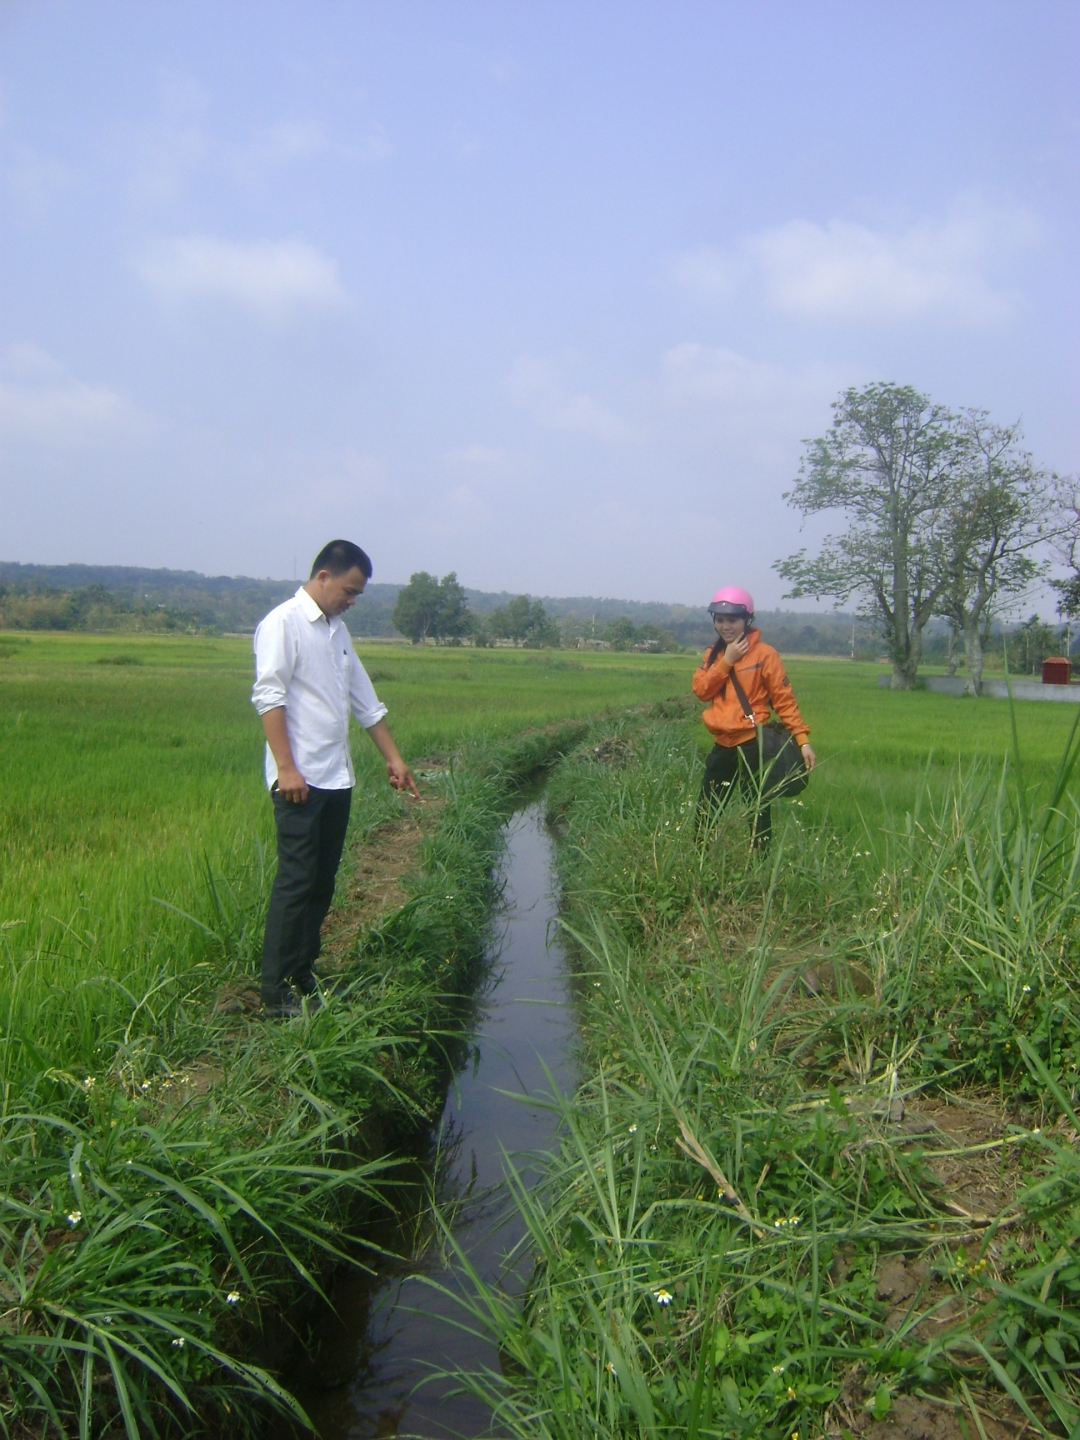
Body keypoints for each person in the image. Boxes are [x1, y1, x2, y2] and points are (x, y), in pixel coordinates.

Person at [252, 539, 419, 1017]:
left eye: (357, 595)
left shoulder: (336, 631)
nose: (351, 600)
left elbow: (365, 701)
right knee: (296, 880)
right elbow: (269, 698)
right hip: (298, 781)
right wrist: (286, 767)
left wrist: (394, 758)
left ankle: (303, 971)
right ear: (323, 577)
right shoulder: (283, 623)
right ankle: (274, 991)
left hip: (336, 779)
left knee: (321, 882)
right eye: (348, 590)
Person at [692, 586, 816, 849]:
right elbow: (702, 691)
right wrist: (727, 661)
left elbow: (784, 700)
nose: (726, 626)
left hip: (753, 745)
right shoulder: (713, 655)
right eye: (720, 620)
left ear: (746, 620)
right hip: (722, 744)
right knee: (706, 810)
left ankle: (757, 870)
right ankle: (697, 863)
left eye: (732, 620)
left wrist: (802, 740)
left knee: (757, 812)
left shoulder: (765, 655)